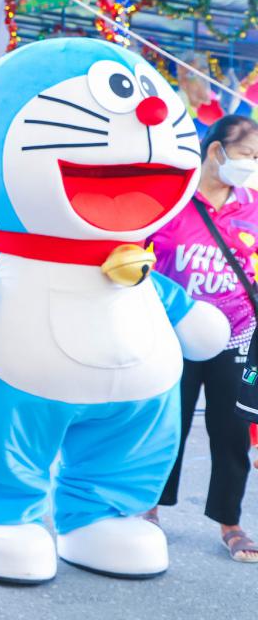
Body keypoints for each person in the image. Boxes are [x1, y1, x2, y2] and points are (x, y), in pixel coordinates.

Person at [148, 114, 258, 563]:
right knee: (166, 425)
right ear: (217, 150)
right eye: (247, 154)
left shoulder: (253, 206)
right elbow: (132, 252)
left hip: (237, 337)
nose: (252, 164)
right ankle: (149, 509)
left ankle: (230, 523)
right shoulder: (172, 202)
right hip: (176, 335)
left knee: (232, 431)